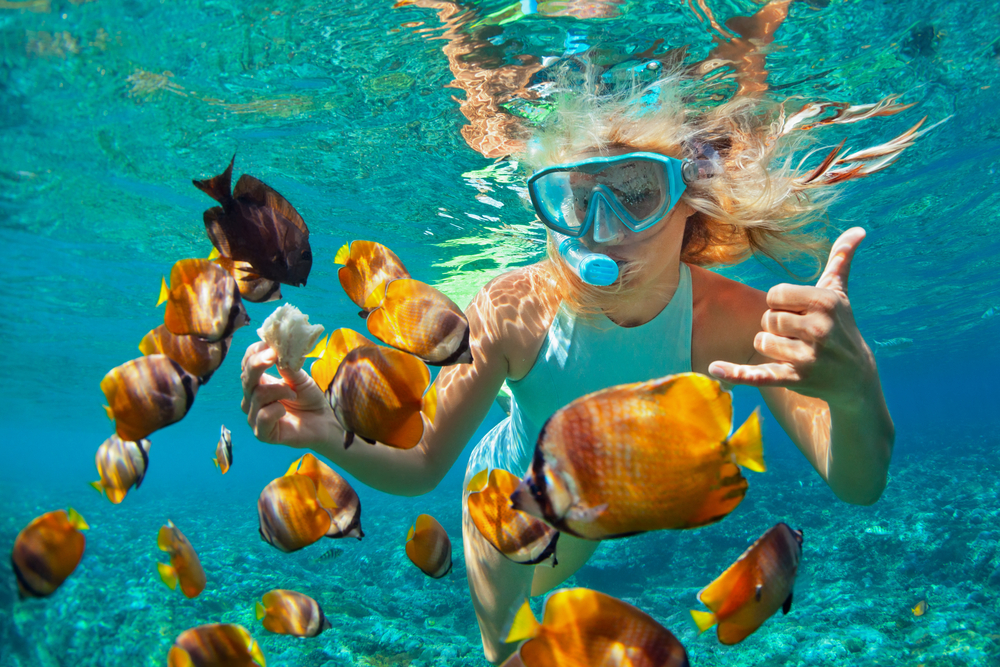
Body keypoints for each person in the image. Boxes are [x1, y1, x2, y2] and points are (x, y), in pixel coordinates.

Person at [241, 65, 922, 664]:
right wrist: (321, 434)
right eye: (575, 197)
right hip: (502, 500)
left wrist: (855, 386)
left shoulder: (734, 320)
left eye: (634, 190)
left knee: (552, 607)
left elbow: (858, 483)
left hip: (593, 504)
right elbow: (422, 462)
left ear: (692, 198)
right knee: (508, 652)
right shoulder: (515, 310)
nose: (602, 228)